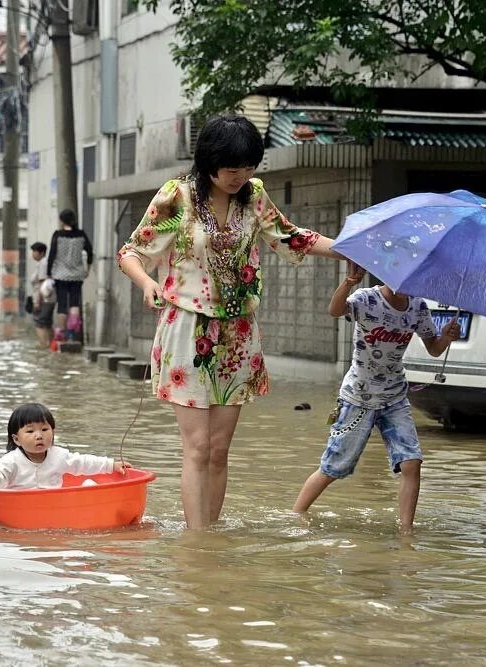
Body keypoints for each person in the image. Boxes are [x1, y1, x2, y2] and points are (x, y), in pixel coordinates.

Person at [117, 115, 346, 529]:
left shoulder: (253, 197)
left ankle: (211, 538)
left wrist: (351, 250)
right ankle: (197, 541)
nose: (241, 176)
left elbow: (292, 237)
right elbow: (132, 251)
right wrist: (147, 282)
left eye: (249, 168)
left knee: (220, 448)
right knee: (198, 446)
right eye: (232, 169)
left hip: (238, 335)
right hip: (187, 329)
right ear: (208, 164)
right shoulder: (178, 196)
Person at [292, 264, 462, 534]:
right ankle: (297, 514)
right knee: (334, 466)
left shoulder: (418, 307)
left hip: (395, 397)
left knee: (411, 462)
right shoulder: (365, 299)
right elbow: (335, 311)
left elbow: (433, 349)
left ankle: (406, 531)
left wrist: (446, 337)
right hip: (358, 397)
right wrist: (349, 281)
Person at [0, 402, 129, 490]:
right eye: (30, 431)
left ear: (53, 432)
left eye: (44, 429)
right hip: (20, 506)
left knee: (89, 485)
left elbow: (83, 462)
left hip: (54, 504)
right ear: (16, 439)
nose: (39, 435)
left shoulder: (59, 456)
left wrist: (111, 465)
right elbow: (0, 473)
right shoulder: (11, 460)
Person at [47, 209, 93, 341]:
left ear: (62, 220)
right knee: (74, 303)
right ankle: (72, 333)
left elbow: (52, 255)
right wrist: (87, 269)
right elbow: (90, 252)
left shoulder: (58, 235)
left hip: (60, 275)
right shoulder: (81, 234)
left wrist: (49, 273)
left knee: (62, 304)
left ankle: (60, 333)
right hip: (77, 275)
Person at [29, 242, 54, 348]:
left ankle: (43, 346)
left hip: (44, 299)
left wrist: (37, 301)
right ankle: (51, 346)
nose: (33, 254)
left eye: (35, 251)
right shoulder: (42, 263)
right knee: (47, 323)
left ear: (42, 252)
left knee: (40, 323)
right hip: (46, 298)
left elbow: (42, 284)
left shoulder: (43, 263)